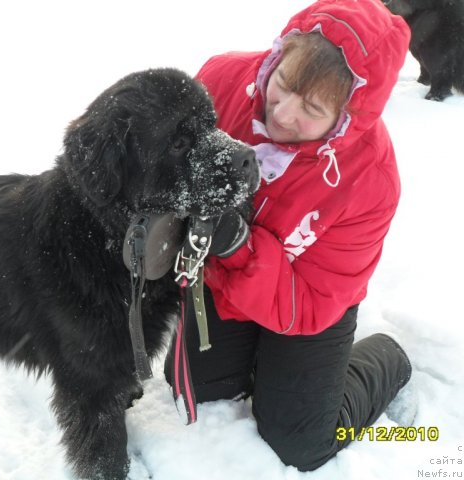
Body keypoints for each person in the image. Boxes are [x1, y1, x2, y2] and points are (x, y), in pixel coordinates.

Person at [165, 0, 413, 471]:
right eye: (283, 81)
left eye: (313, 107)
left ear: (348, 116)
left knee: (300, 441)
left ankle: (388, 358)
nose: (283, 112)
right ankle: (262, 361)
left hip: (310, 302)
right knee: (198, 390)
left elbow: (314, 302)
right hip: (221, 280)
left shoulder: (371, 180)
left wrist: (239, 244)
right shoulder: (220, 80)